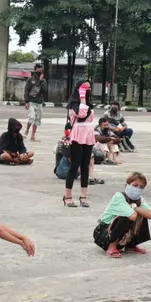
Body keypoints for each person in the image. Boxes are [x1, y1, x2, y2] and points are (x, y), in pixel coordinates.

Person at [96, 172, 151, 258]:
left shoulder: (139, 199)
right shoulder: (119, 196)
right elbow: (132, 216)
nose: (137, 189)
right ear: (127, 185)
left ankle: (131, 246)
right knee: (126, 217)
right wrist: (136, 209)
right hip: (104, 234)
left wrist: (134, 206)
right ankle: (111, 246)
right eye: (135, 185)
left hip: (122, 237)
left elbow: (150, 215)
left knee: (142, 215)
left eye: (141, 187)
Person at [63, 80, 95, 208]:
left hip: (88, 134)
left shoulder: (88, 103)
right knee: (75, 165)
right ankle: (67, 196)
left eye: (89, 87)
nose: (88, 89)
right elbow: (81, 114)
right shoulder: (74, 104)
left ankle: (83, 196)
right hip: (78, 134)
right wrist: (82, 97)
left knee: (85, 166)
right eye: (85, 88)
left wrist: (85, 99)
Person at [23, 63, 47, 142]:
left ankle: (33, 136)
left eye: (41, 69)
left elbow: (45, 90)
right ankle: (26, 131)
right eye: (38, 69)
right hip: (31, 102)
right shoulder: (30, 79)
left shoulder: (44, 80)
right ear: (35, 70)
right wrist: (26, 102)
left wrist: (41, 81)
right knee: (31, 118)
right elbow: (26, 90)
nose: (39, 70)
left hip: (39, 102)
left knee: (37, 120)